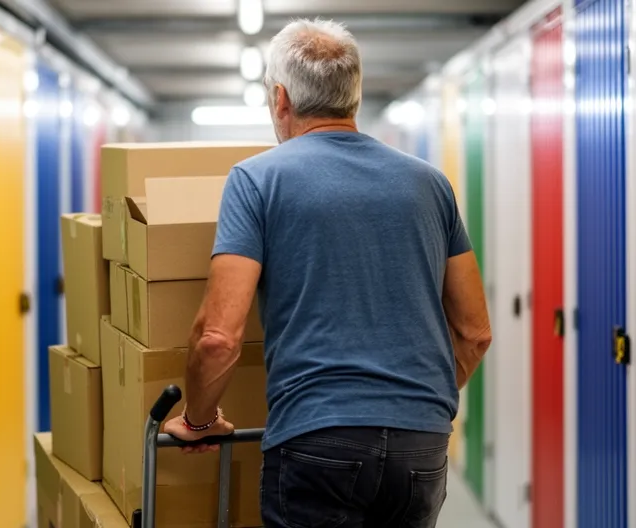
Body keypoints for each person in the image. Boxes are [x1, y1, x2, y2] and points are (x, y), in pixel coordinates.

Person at [162, 18, 492, 528]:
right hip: (421, 447)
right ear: (353, 95)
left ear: (280, 99)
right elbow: (475, 332)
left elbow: (218, 338)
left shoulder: (257, 180)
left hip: (317, 438)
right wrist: (413, 407)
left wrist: (199, 420)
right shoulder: (431, 184)